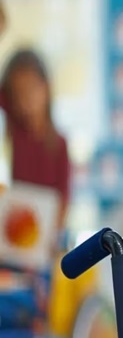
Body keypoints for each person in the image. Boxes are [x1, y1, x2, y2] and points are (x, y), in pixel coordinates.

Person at [0, 49, 71, 232]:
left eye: (31, 89)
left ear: (46, 87)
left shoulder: (59, 144)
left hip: (43, 236)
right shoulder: (15, 130)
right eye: (17, 94)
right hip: (13, 232)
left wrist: (51, 235)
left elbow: (64, 198)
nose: (25, 100)